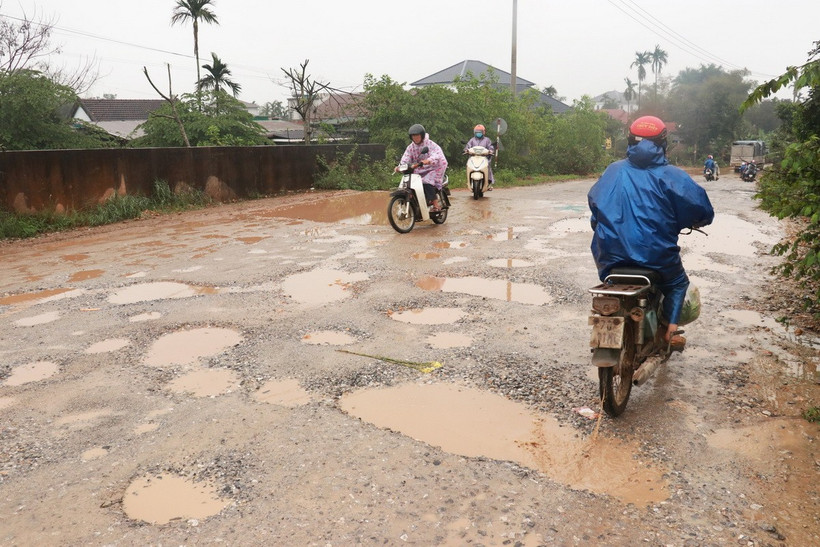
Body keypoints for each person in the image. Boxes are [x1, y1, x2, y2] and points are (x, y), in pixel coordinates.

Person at [588, 115, 714, 349]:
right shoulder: (673, 175)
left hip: (609, 257)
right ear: (663, 142)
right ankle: (670, 332)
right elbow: (701, 209)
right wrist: (698, 221)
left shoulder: (612, 171)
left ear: (629, 140)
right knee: (677, 284)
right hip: (657, 258)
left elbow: (595, 206)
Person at [397, 124, 448, 211]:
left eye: (417, 135)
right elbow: (405, 158)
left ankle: (435, 205)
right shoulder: (411, 147)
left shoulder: (430, 144)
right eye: (413, 136)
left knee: (426, 182)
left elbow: (437, 154)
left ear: (422, 135)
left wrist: (428, 160)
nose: (415, 138)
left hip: (435, 167)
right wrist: (400, 166)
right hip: (419, 168)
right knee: (407, 184)